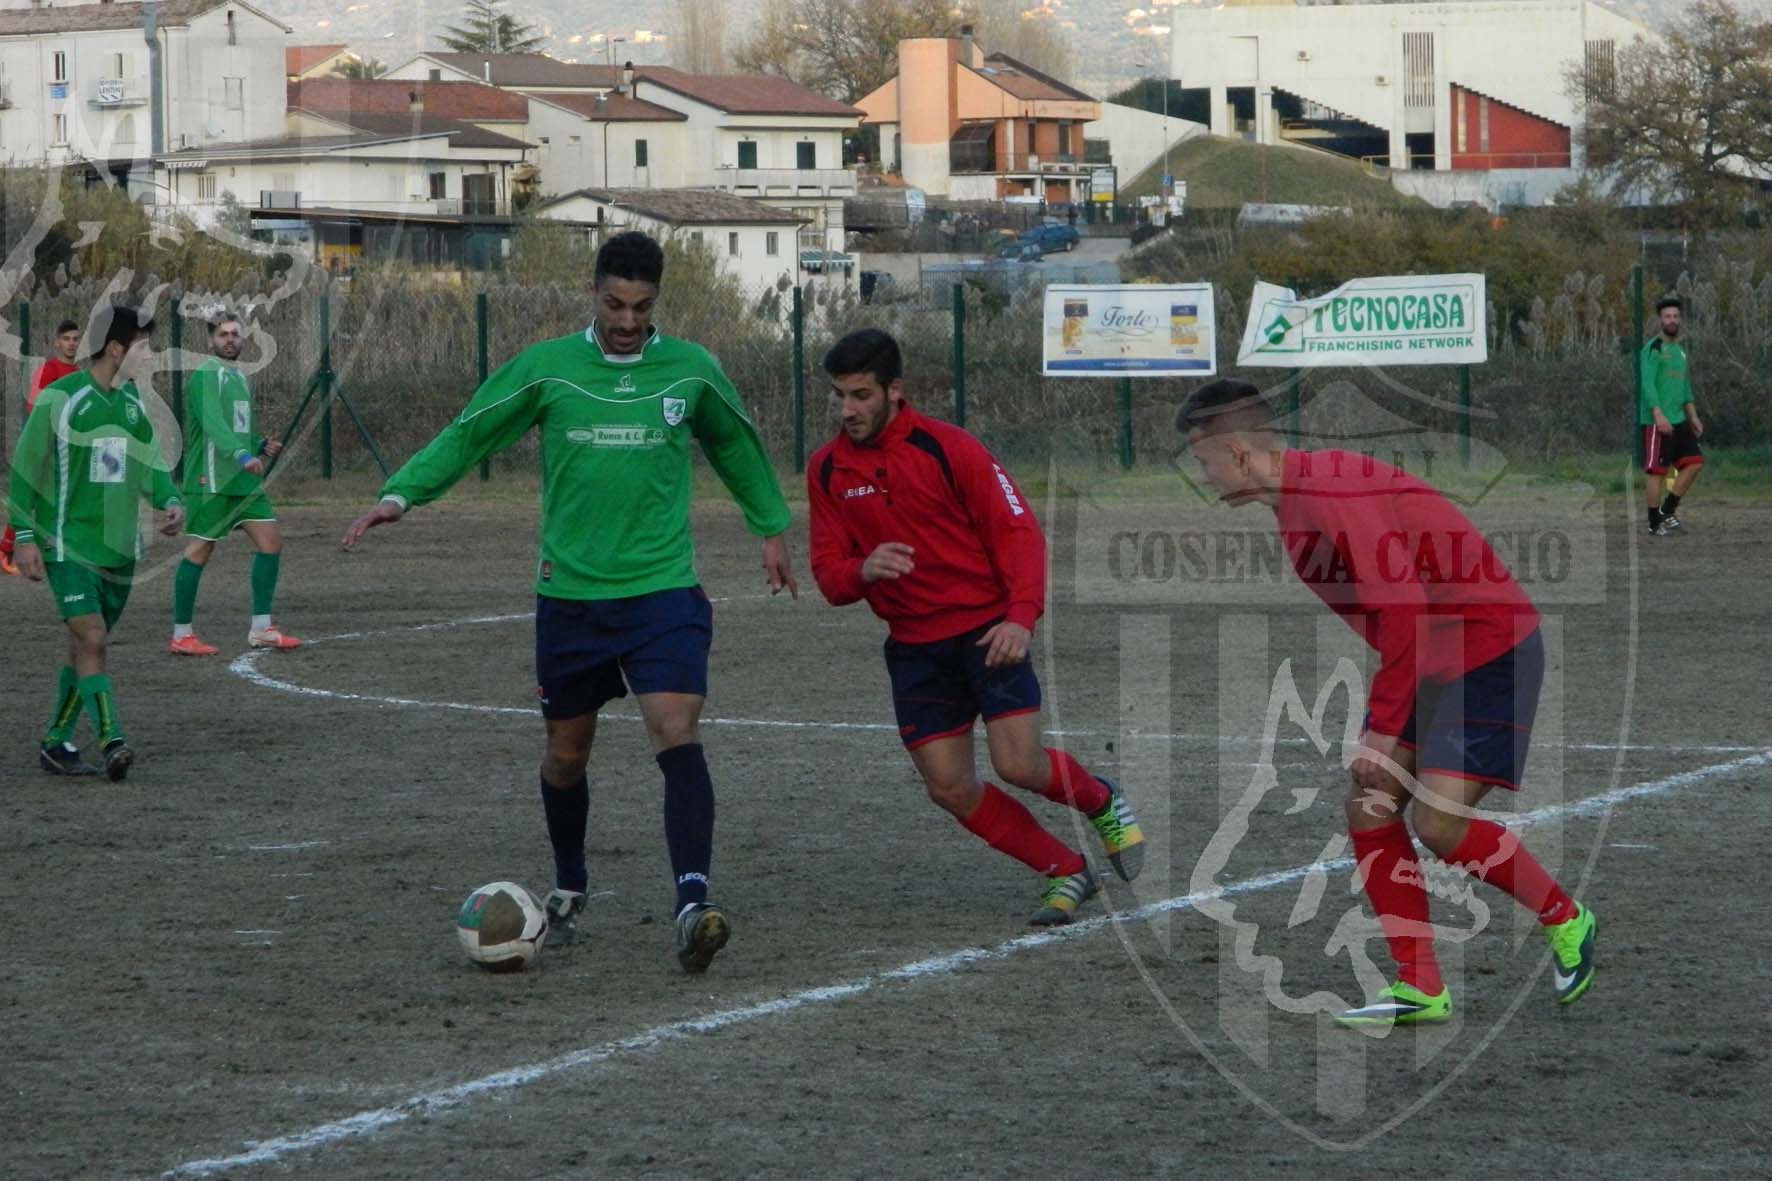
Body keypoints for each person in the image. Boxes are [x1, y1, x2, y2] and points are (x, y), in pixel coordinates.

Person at [341, 231, 798, 975]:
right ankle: (570, 884)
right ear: (594, 292)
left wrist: (772, 528)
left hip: (662, 589)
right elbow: (471, 430)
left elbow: (736, 446)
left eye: (641, 307)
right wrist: (401, 494)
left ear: (658, 302)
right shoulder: (549, 367)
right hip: (572, 597)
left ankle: (691, 905)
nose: (626, 320)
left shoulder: (691, 370)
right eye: (615, 304)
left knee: (675, 729)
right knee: (565, 753)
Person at [1178, 378, 1596, 1027]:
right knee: (1370, 805)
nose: (1203, 477)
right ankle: (1421, 985)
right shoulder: (1293, 509)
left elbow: (1403, 606)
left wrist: (1382, 727)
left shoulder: (1329, 491)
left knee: (1438, 824)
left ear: (1235, 450)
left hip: (1488, 646)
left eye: (1202, 461)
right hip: (1436, 656)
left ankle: (1568, 919)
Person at [807, 329, 1144, 926]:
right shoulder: (828, 470)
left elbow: (1018, 533)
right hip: (914, 647)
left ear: (895, 390)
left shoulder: (951, 448)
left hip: (988, 633)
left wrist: (1019, 618)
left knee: (1018, 764)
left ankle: (1101, 798)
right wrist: (862, 569)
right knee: (949, 787)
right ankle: (1066, 870)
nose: (847, 410)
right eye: (839, 396)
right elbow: (830, 577)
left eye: (860, 395)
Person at [7, 306, 185, 780]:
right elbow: (25, 472)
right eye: (144, 346)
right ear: (115, 349)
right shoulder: (59, 399)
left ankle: (55, 741)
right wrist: (23, 536)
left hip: (119, 549)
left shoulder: (130, 405)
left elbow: (150, 464)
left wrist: (169, 498)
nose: (150, 355)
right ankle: (112, 740)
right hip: (67, 545)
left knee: (83, 646)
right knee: (92, 637)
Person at [167, 311, 300, 655]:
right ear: (211, 340)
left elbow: (237, 425)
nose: (230, 340)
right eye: (223, 334)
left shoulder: (239, 378)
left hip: (243, 482)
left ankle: (261, 628)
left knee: (271, 543)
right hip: (211, 479)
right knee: (199, 551)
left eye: (235, 334)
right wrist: (241, 454)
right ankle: (182, 634)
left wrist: (257, 445)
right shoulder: (206, 375)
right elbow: (212, 422)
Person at [2, 319, 82, 576]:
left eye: (75, 339)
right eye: (67, 339)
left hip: (69, 447)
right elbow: (35, 407)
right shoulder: (49, 370)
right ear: (57, 342)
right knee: (32, 495)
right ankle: (6, 549)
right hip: (48, 445)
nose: (71, 343)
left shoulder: (80, 373)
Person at [1639, 295, 1704, 536]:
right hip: (1658, 421)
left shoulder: (1680, 351)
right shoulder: (1652, 348)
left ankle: (1668, 511)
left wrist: (1693, 417)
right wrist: (1658, 413)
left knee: (1695, 463)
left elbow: (1685, 388)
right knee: (1657, 471)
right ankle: (1654, 523)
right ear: (1660, 320)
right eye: (1667, 316)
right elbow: (1647, 384)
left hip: (1680, 419)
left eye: (1676, 316)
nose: (1672, 320)